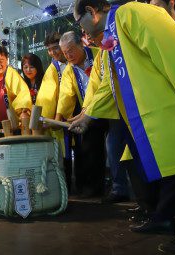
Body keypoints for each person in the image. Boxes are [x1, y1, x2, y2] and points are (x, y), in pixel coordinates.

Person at [71, 0, 175, 253]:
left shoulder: (131, 13)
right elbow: (113, 81)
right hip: (172, 108)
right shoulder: (112, 33)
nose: (82, 30)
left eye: (79, 23)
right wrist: (88, 116)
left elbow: (164, 42)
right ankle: (164, 218)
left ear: (91, 11)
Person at [56, 31, 107, 197]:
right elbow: (65, 94)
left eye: (71, 50)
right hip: (89, 113)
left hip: (108, 106)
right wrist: (59, 116)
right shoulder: (69, 70)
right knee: (89, 147)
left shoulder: (99, 54)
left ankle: (117, 187)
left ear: (81, 44)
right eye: (64, 53)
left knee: (114, 149)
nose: (68, 55)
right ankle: (91, 188)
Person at [35, 32, 73, 191]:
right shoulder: (53, 67)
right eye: (49, 50)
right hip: (63, 116)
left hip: (78, 111)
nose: (53, 52)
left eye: (55, 48)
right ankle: (67, 188)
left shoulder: (74, 61)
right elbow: (47, 96)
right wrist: (47, 118)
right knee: (64, 154)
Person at [0, 45, 32, 136]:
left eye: (1, 61)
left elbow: (23, 93)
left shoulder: (11, 73)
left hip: (13, 122)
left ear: (7, 60)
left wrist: (24, 111)